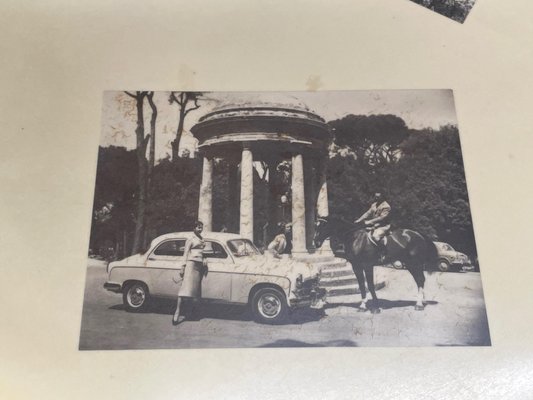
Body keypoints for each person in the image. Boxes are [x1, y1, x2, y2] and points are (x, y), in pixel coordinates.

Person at [172, 221, 208, 325]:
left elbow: (202, 252)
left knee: (194, 291)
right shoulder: (190, 239)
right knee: (184, 290)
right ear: (194, 228)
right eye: (198, 227)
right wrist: (183, 267)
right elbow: (185, 253)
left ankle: (191, 312)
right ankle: (177, 312)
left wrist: (205, 259)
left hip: (199, 265)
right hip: (191, 264)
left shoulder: (202, 239)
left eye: (201, 227)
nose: (200, 229)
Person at [354, 192, 391, 260]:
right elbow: (367, 213)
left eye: (378, 197)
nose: (376, 198)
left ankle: (382, 252)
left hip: (383, 226)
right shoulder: (374, 204)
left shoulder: (386, 206)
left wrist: (369, 221)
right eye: (375, 196)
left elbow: (382, 218)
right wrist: (359, 220)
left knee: (375, 236)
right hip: (374, 225)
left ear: (382, 197)